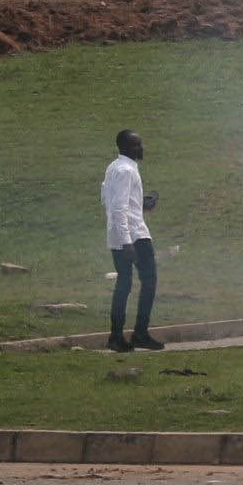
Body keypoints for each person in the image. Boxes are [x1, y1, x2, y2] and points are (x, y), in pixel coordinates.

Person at [103, 126, 159, 352]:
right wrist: (128, 241)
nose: (141, 147)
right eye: (137, 144)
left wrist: (142, 204)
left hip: (117, 234)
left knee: (124, 285)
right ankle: (140, 333)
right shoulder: (127, 170)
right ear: (126, 147)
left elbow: (109, 200)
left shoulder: (113, 167)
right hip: (134, 235)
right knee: (149, 281)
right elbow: (118, 207)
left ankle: (116, 337)